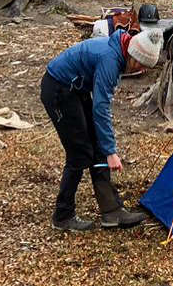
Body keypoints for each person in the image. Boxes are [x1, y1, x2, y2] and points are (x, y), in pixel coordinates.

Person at [40, 26, 164, 231]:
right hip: (58, 90)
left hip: (76, 89)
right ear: (133, 55)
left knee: (97, 147)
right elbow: (100, 107)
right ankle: (63, 215)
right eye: (139, 65)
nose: (139, 70)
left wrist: (105, 149)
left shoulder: (119, 52)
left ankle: (112, 212)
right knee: (79, 153)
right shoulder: (110, 60)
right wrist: (111, 152)